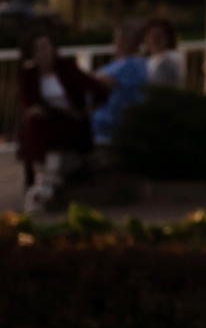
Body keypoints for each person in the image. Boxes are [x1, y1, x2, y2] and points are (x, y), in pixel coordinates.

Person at [14, 29, 104, 211]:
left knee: (34, 128)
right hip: (45, 123)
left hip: (71, 122)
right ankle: (41, 178)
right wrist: (35, 109)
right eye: (38, 49)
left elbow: (98, 89)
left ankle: (41, 182)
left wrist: (87, 109)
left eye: (46, 47)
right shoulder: (29, 75)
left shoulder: (67, 67)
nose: (43, 52)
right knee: (34, 123)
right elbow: (28, 102)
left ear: (54, 49)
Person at [90, 22, 154, 150]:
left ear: (128, 41)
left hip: (111, 124)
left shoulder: (133, 65)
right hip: (99, 118)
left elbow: (100, 81)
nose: (114, 42)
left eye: (117, 38)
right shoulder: (121, 61)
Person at [141, 17, 186, 88]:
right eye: (150, 35)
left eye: (159, 35)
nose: (154, 39)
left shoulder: (171, 58)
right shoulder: (150, 59)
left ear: (168, 38)